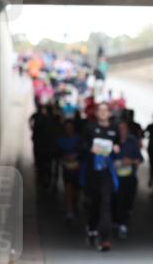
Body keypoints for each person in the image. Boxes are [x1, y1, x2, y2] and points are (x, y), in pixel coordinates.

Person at [80, 102, 120, 251]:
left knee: (106, 202)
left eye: (106, 110)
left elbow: (117, 147)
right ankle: (91, 228)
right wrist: (90, 148)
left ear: (110, 113)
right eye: (100, 110)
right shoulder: (90, 128)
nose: (103, 113)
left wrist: (116, 149)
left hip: (107, 172)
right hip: (93, 171)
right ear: (96, 113)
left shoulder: (114, 129)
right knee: (95, 203)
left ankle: (105, 238)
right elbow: (82, 145)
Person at [112, 120, 143, 239]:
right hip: (113, 177)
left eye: (124, 128)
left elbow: (140, 159)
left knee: (125, 201)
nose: (121, 131)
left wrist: (130, 161)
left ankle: (123, 223)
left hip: (128, 177)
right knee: (114, 200)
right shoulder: (111, 142)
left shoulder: (132, 142)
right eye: (119, 129)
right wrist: (115, 162)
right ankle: (115, 221)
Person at [56, 119, 84, 222]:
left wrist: (75, 156)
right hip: (67, 168)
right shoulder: (61, 140)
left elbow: (83, 152)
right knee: (68, 189)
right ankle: (69, 211)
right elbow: (58, 153)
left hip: (77, 169)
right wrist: (64, 158)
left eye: (70, 128)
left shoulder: (79, 139)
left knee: (77, 191)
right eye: (67, 128)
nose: (69, 130)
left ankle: (75, 206)